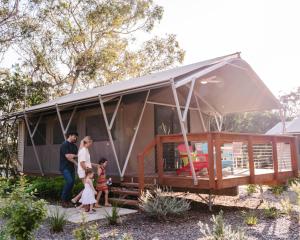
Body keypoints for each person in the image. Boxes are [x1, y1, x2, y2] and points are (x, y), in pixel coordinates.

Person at [71, 136, 97, 205]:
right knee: (88, 188)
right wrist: (88, 172)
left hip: (86, 172)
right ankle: (84, 205)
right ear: (88, 142)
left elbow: (86, 162)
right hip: (84, 172)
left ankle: (77, 199)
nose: (91, 144)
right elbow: (82, 163)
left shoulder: (85, 149)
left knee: (87, 188)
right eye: (91, 142)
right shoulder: (83, 151)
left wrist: (94, 165)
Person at [60, 131, 78, 208]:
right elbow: (68, 157)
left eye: (76, 137)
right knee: (69, 181)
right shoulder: (64, 145)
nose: (75, 138)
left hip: (71, 168)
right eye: (74, 137)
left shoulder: (74, 146)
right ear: (70, 135)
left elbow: (76, 156)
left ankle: (67, 201)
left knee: (72, 183)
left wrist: (73, 155)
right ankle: (63, 200)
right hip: (64, 167)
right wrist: (76, 163)